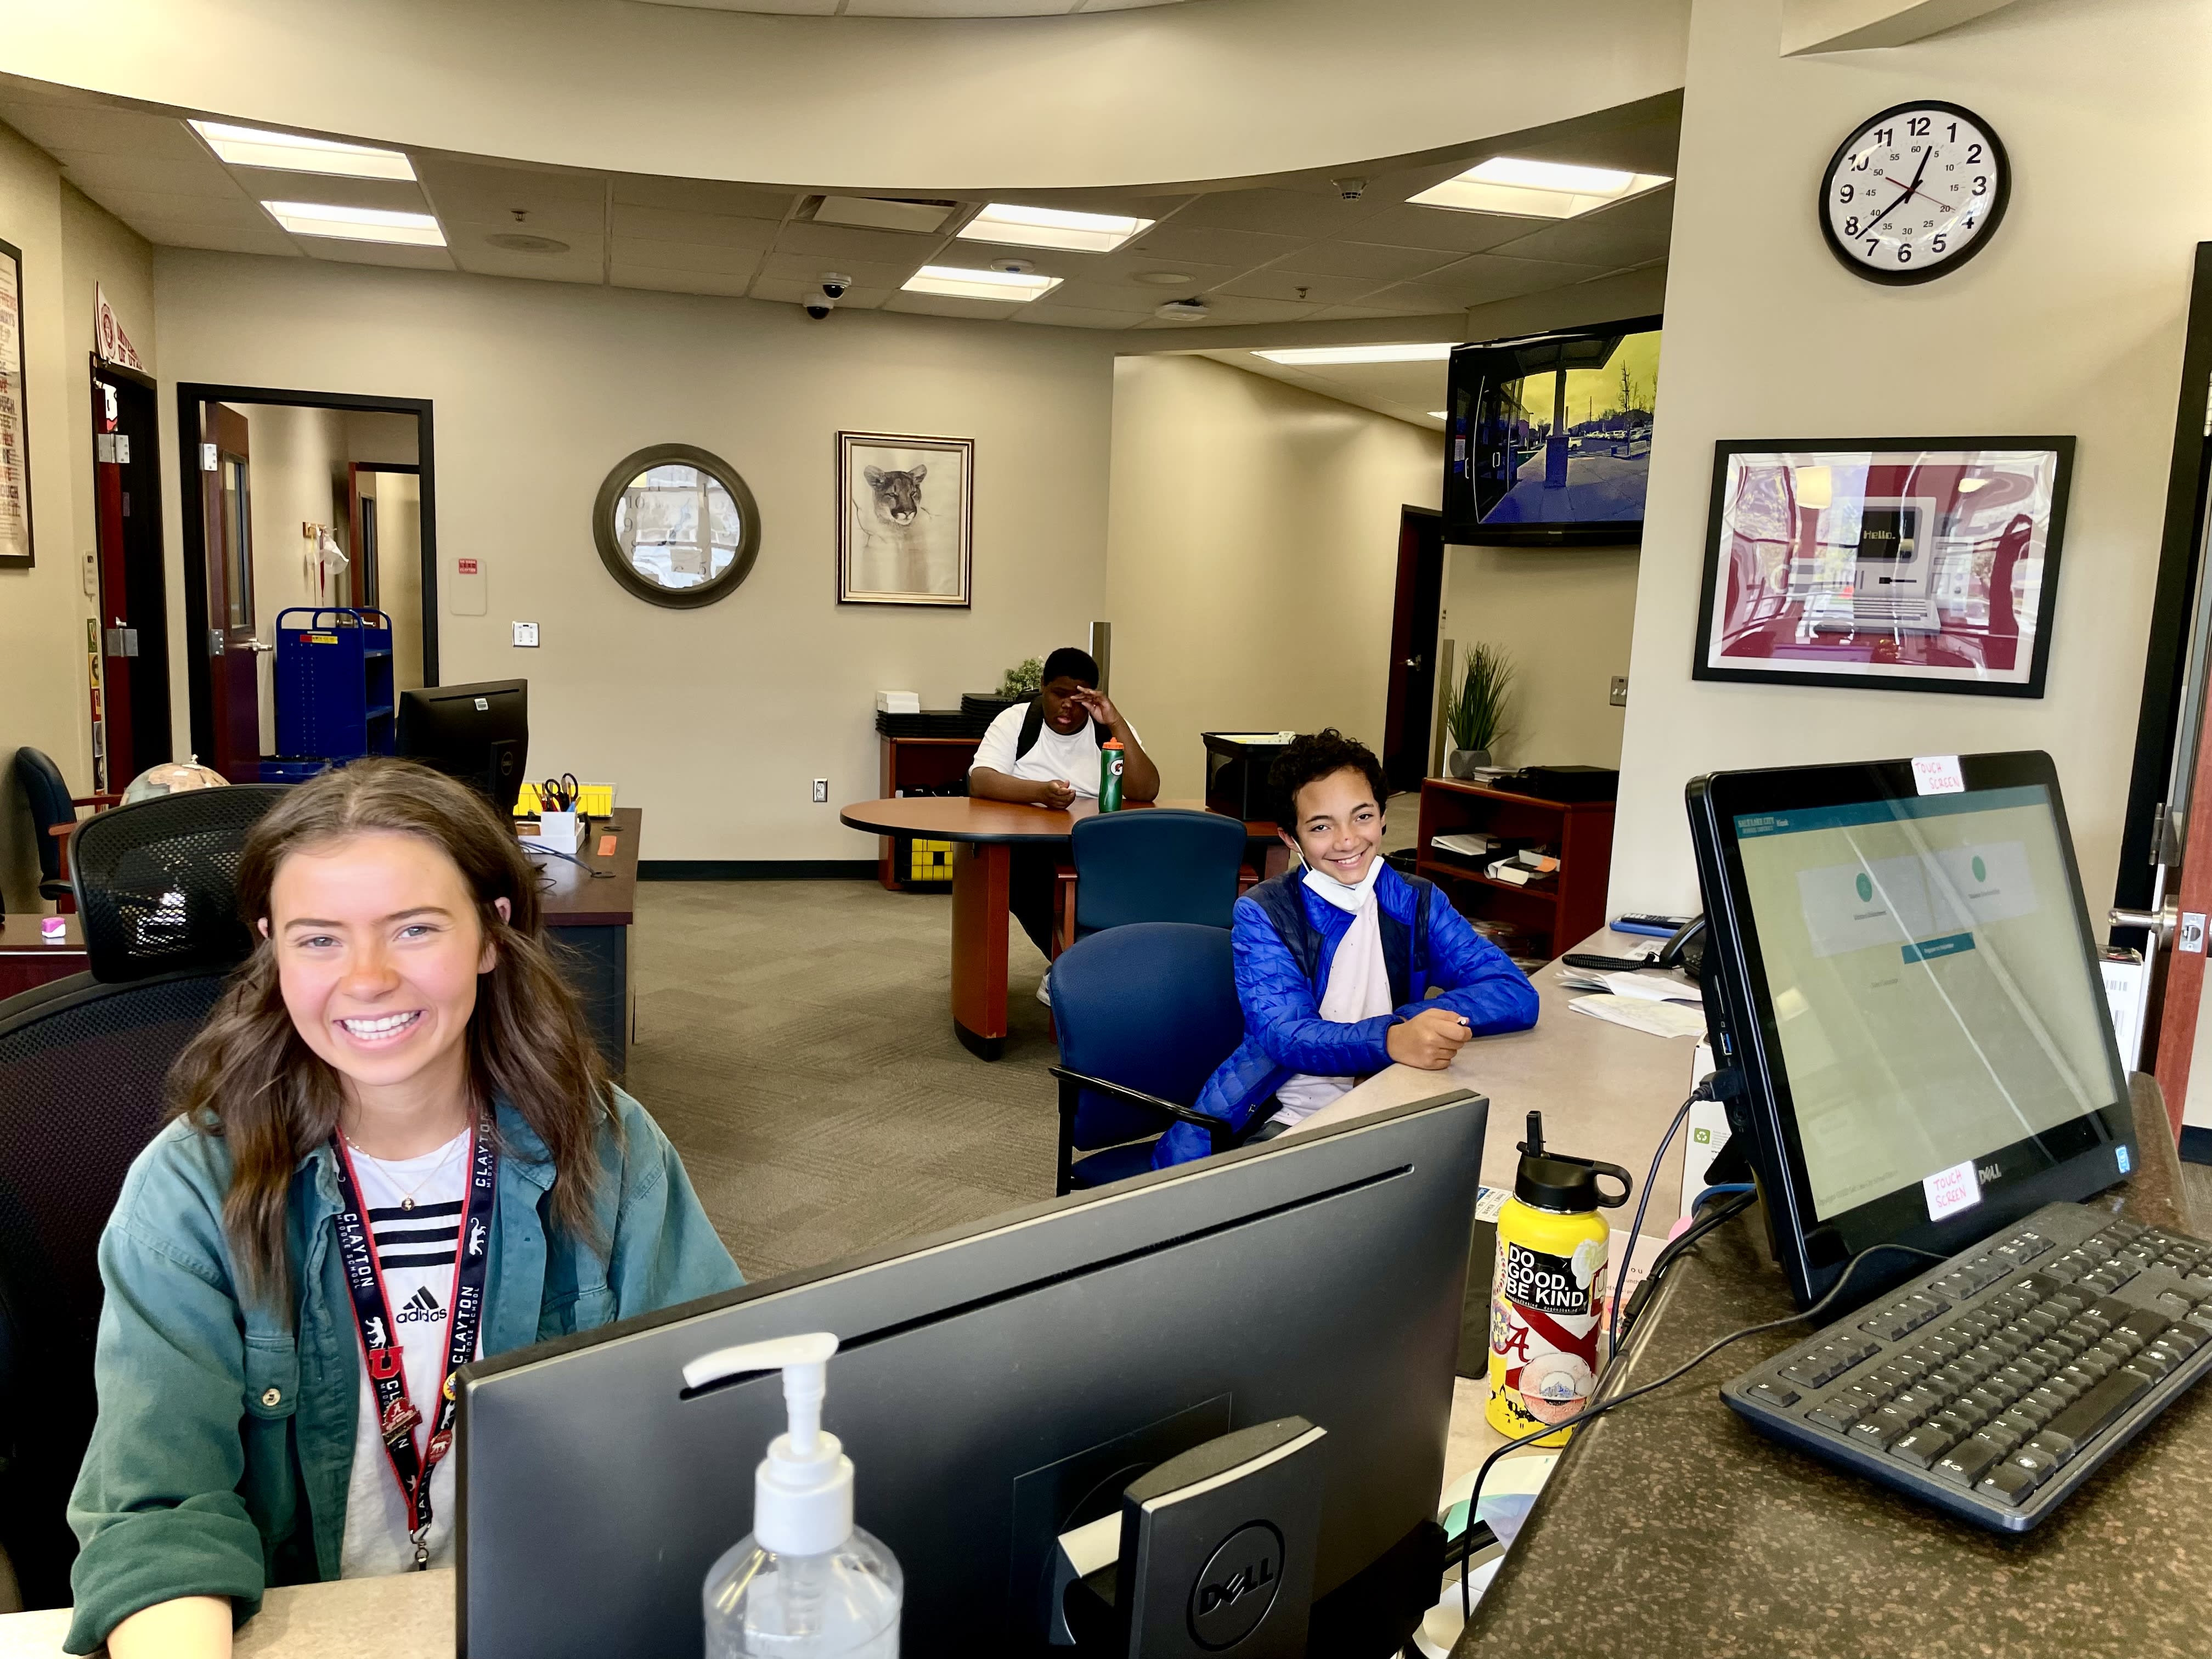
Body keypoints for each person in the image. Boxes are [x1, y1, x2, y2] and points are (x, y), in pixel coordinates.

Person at [66, 760, 742, 1658]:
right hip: (299, 1629)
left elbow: (719, 1415)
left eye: (415, 928)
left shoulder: (607, 1147)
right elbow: (158, 1513)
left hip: (544, 1611)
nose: (368, 978)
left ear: (492, 932)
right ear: (272, 947)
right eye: (319, 939)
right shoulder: (192, 1187)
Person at [1153, 729, 1538, 1167]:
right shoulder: (1264, 912)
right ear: (1290, 839)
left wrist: (1408, 1024)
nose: (1347, 840)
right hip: (1291, 1115)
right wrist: (1389, 1041)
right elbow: (1286, 1035)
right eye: (1321, 826)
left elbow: (1514, 992)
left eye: (1362, 817)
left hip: (1387, 1101)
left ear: (1384, 816)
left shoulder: (1416, 900)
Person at [969, 646, 1160, 982]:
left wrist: (1115, 722)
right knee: (1021, 874)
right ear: (1043, 685)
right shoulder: (1017, 721)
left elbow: (1145, 790)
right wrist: (1040, 793)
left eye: (1078, 698)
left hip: (1097, 840)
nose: (1068, 706)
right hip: (1032, 843)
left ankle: (1087, 968)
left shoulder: (1108, 727)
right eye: (1059, 694)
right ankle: (1074, 966)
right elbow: (980, 780)